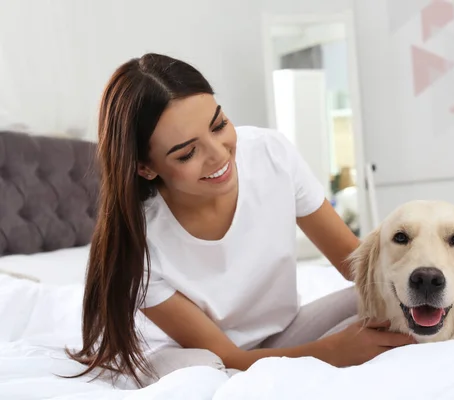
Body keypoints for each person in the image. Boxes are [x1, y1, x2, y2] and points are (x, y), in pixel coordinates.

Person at [66, 53, 414, 387]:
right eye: (188, 152)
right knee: (203, 372)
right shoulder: (139, 243)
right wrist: (331, 352)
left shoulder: (270, 154)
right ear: (145, 168)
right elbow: (228, 356)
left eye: (218, 125)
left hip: (282, 333)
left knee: (386, 297)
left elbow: (359, 269)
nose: (219, 155)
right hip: (197, 354)